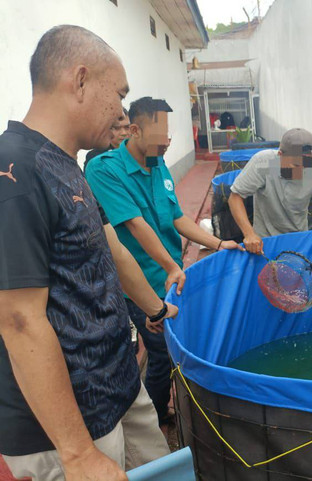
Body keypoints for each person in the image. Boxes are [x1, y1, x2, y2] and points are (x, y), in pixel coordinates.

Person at [0, 25, 178, 481]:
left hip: (118, 388)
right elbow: (18, 320)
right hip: (68, 429)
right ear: (79, 80)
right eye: (118, 93)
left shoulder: (68, 164)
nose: (121, 109)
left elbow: (112, 249)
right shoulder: (14, 174)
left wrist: (156, 309)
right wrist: (77, 454)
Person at [86, 96, 243, 426]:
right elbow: (135, 224)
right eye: (161, 135)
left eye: (169, 135)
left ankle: (158, 408)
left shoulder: (158, 166)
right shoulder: (104, 170)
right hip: (139, 285)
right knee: (162, 352)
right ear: (135, 130)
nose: (167, 142)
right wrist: (171, 267)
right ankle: (157, 413)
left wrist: (219, 242)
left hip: (171, 279)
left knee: (169, 350)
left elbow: (175, 218)